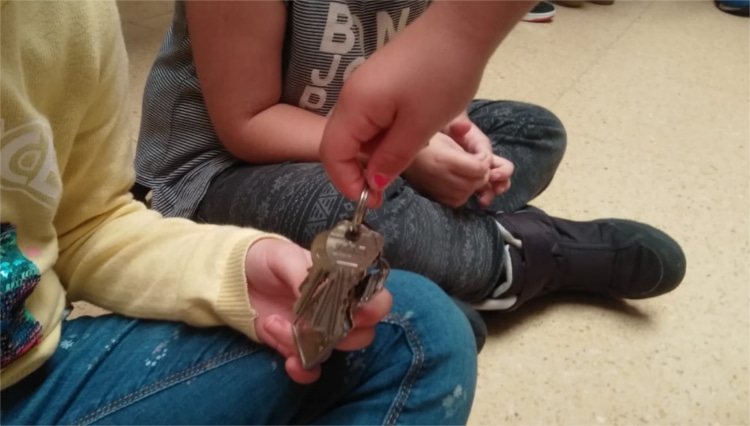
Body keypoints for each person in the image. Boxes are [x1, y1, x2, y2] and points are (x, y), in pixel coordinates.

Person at [0, 1, 479, 424]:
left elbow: (86, 225)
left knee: (427, 330)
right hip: (224, 172)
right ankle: (501, 249)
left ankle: (489, 242)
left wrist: (233, 265)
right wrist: (397, 153)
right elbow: (249, 125)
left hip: (34, 365)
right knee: (388, 256)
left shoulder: (69, 14)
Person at [133, 0, 686, 335]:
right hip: (222, 171)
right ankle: (521, 256)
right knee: (349, 213)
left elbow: (419, 71)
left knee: (536, 130)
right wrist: (409, 157)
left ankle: (439, 256)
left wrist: (451, 129)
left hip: (366, 138)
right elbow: (247, 124)